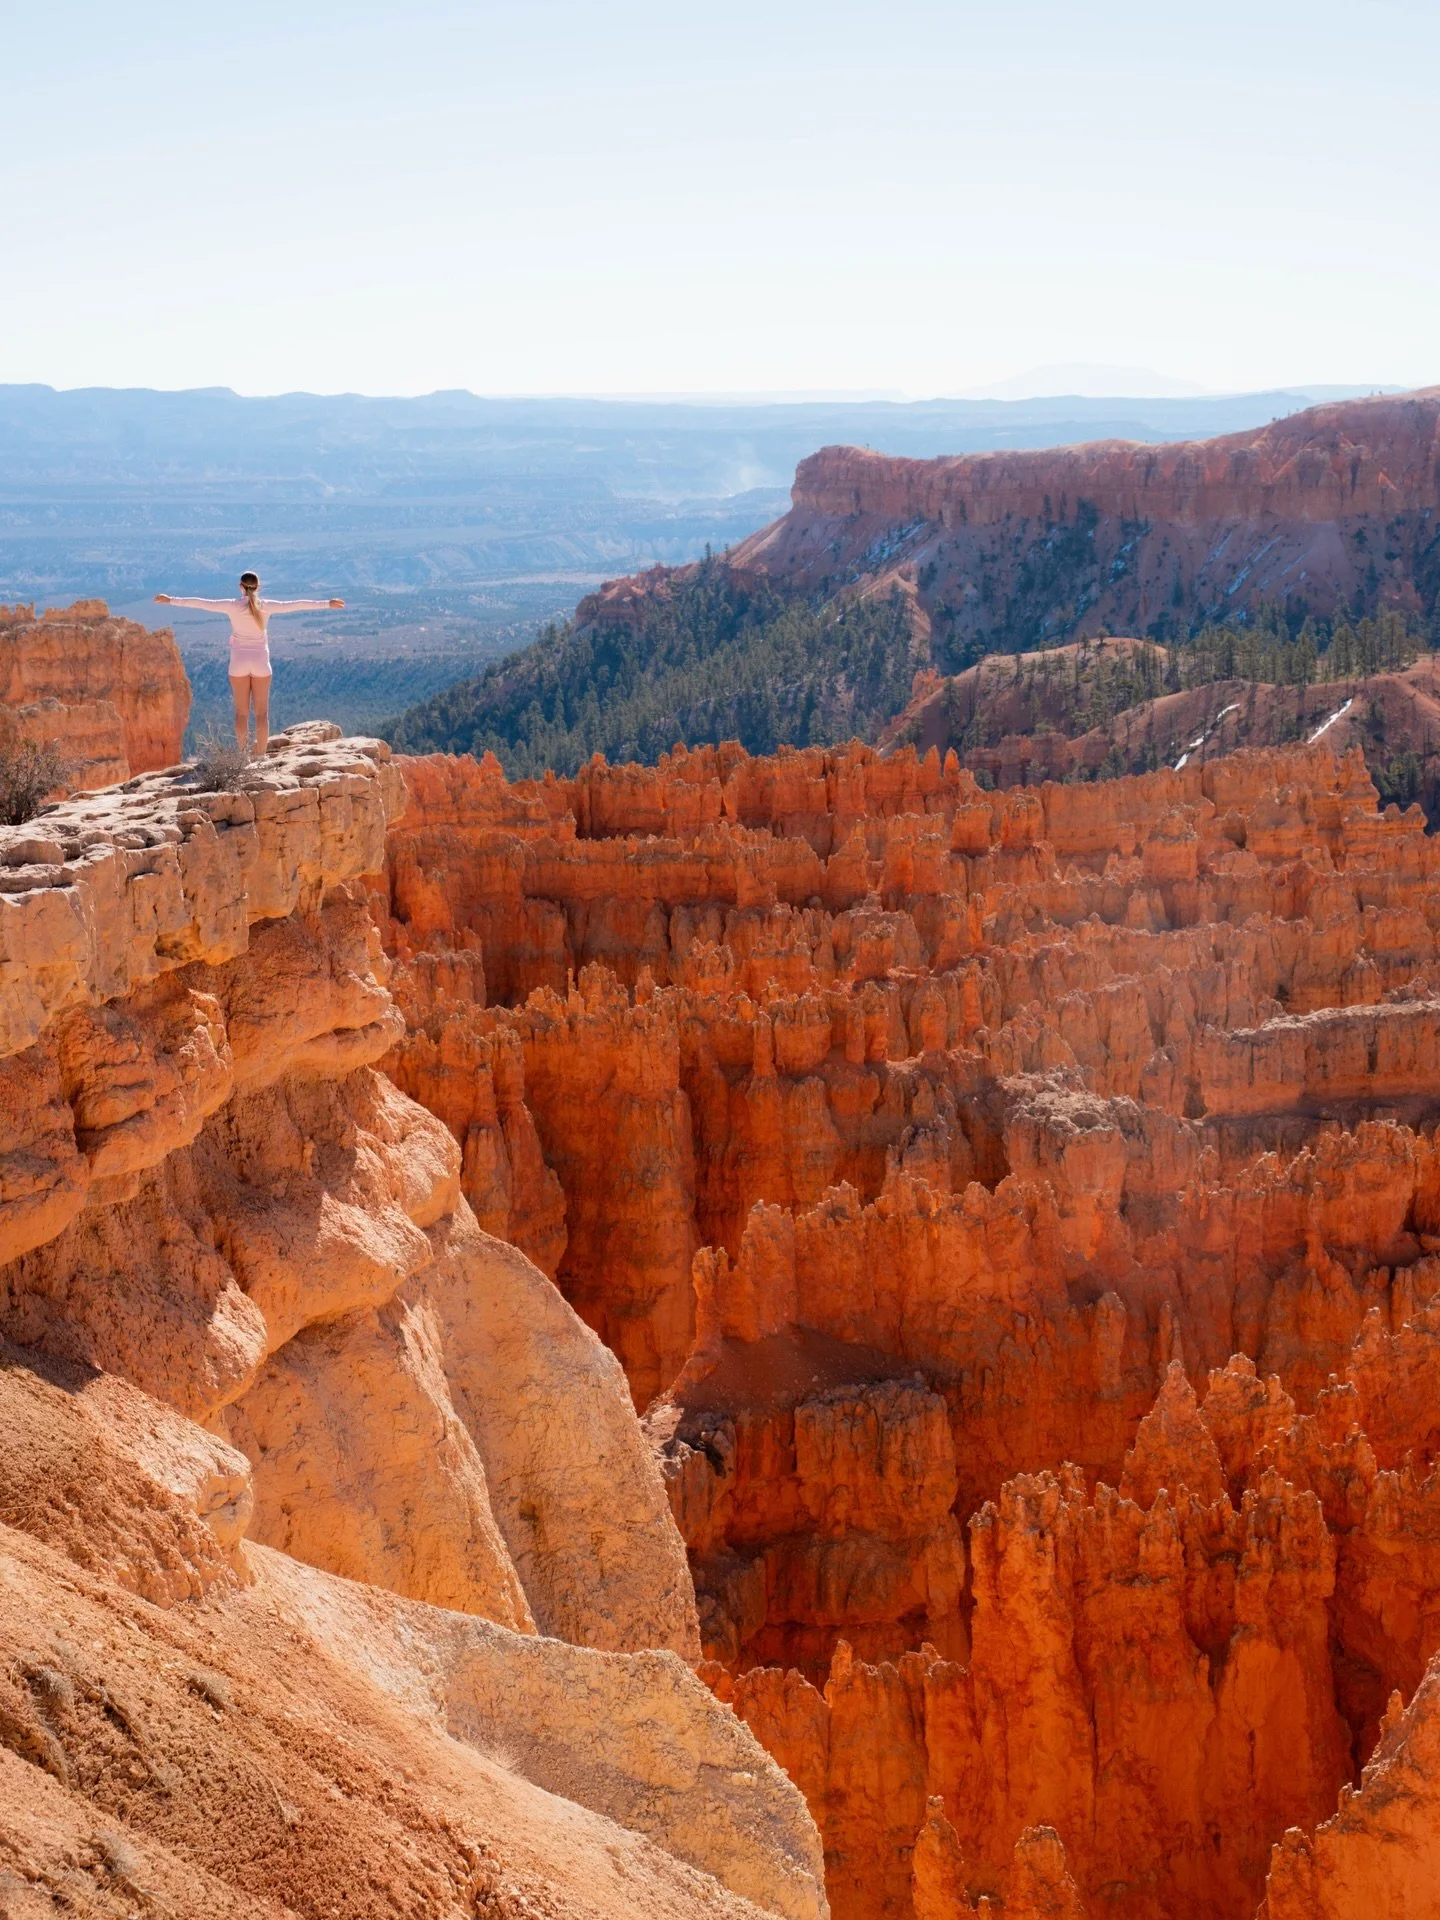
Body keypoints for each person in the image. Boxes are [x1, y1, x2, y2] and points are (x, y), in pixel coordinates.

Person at [155, 572, 344, 755]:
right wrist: (327, 603)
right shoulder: (266, 606)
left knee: (241, 714)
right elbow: (296, 605)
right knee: (261, 714)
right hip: (261, 662)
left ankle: (242, 755)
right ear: (258, 587)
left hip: (238, 663)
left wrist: (170, 600)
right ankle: (261, 755)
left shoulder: (232, 606)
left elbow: (201, 603)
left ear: (240, 587)